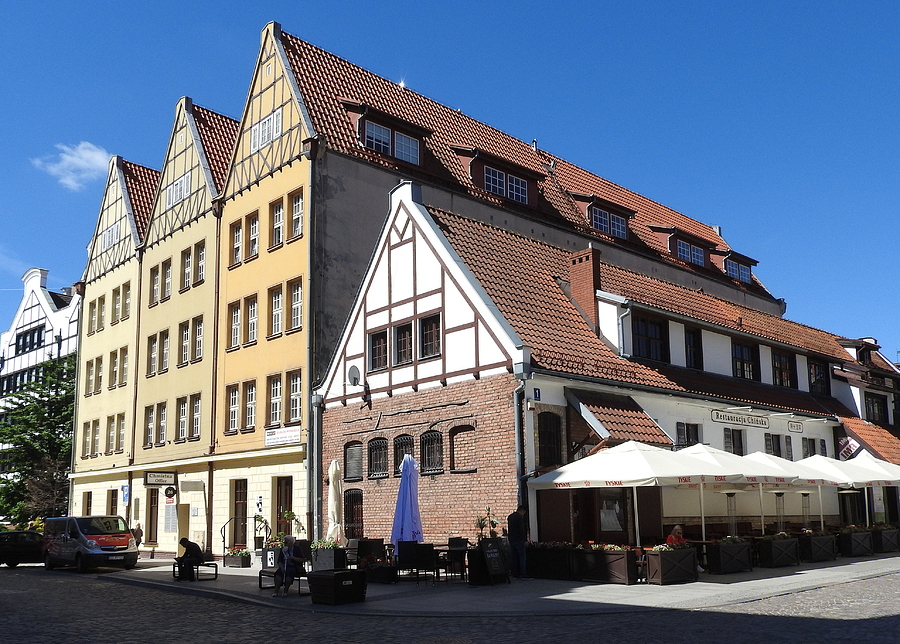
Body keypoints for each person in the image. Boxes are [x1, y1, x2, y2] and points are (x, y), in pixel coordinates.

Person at [507, 505, 529, 579]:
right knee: (522, 557)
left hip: (512, 539)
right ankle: (523, 574)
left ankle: (515, 574)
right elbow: (521, 529)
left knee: (514, 557)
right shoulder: (519, 517)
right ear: (522, 511)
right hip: (519, 540)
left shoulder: (510, 517)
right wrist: (525, 540)